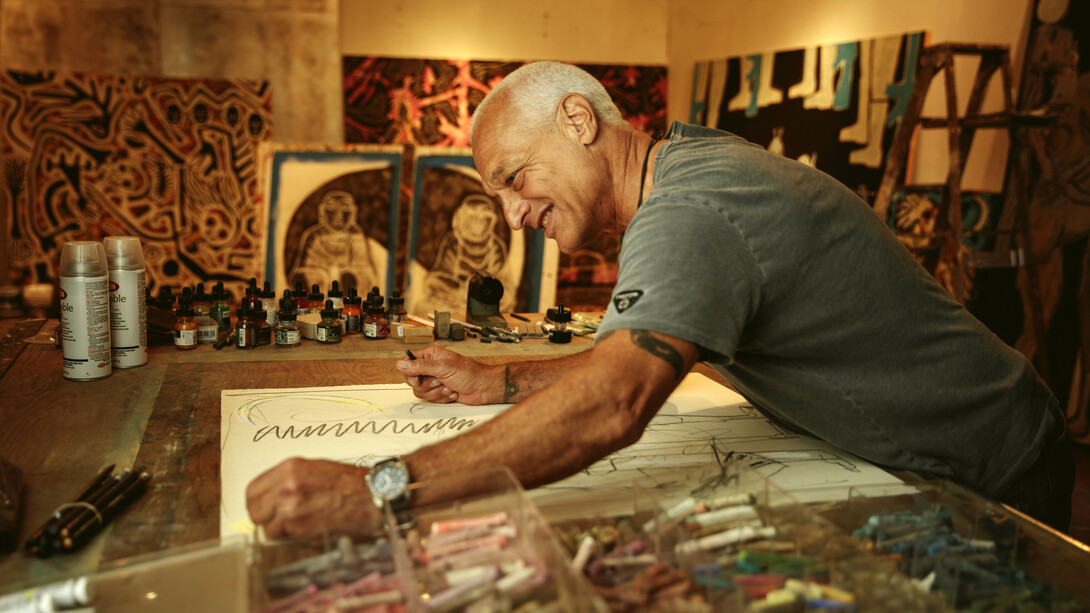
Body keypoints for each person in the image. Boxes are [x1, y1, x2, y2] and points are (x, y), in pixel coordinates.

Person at [246, 61, 1074, 538]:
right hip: (957, 444)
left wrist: (379, 488)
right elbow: (620, 358)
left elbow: (613, 402)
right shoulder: (686, 168)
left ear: (578, 119)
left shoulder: (690, 209)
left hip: (991, 463)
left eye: (514, 179)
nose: (513, 216)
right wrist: (495, 379)